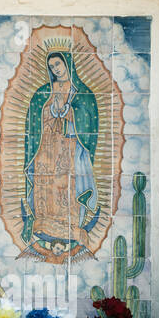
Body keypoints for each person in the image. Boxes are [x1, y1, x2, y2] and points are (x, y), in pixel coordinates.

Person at [21, 50, 101, 260]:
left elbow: (88, 118)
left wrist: (71, 113)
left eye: (58, 64)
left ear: (68, 64)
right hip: (46, 145)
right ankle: (43, 224)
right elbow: (34, 117)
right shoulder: (43, 91)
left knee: (66, 186)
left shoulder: (82, 92)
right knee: (46, 186)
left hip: (69, 145)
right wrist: (49, 111)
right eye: (52, 66)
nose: (55, 69)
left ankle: (70, 226)